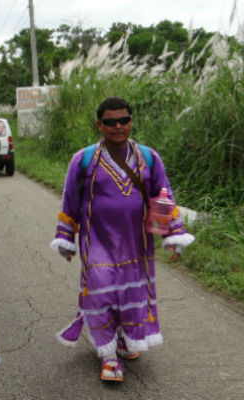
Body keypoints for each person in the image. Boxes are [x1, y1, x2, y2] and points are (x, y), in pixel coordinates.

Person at [50, 97, 194, 382]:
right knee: (102, 292)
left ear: (131, 121)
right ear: (99, 125)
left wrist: (174, 236)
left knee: (130, 294)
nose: (118, 127)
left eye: (124, 120)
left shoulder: (149, 158)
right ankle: (109, 356)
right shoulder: (84, 159)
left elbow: (163, 197)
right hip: (97, 242)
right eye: (110, 122)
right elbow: (70, 201)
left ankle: (124, 338)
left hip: (135, 244)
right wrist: (66, 238)